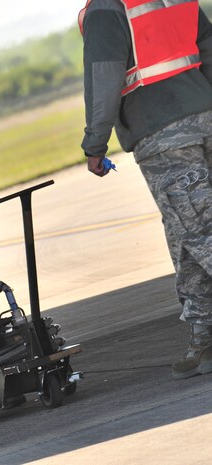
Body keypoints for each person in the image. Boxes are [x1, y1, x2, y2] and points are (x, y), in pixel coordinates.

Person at [79, 0, 212, 378]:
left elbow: (103, 79)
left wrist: (95, 144)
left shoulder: (105, 8)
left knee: (202, 232)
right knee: (185, 234)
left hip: (162, 131)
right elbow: (209, 47)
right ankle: (204, 336)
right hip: (205, 118)